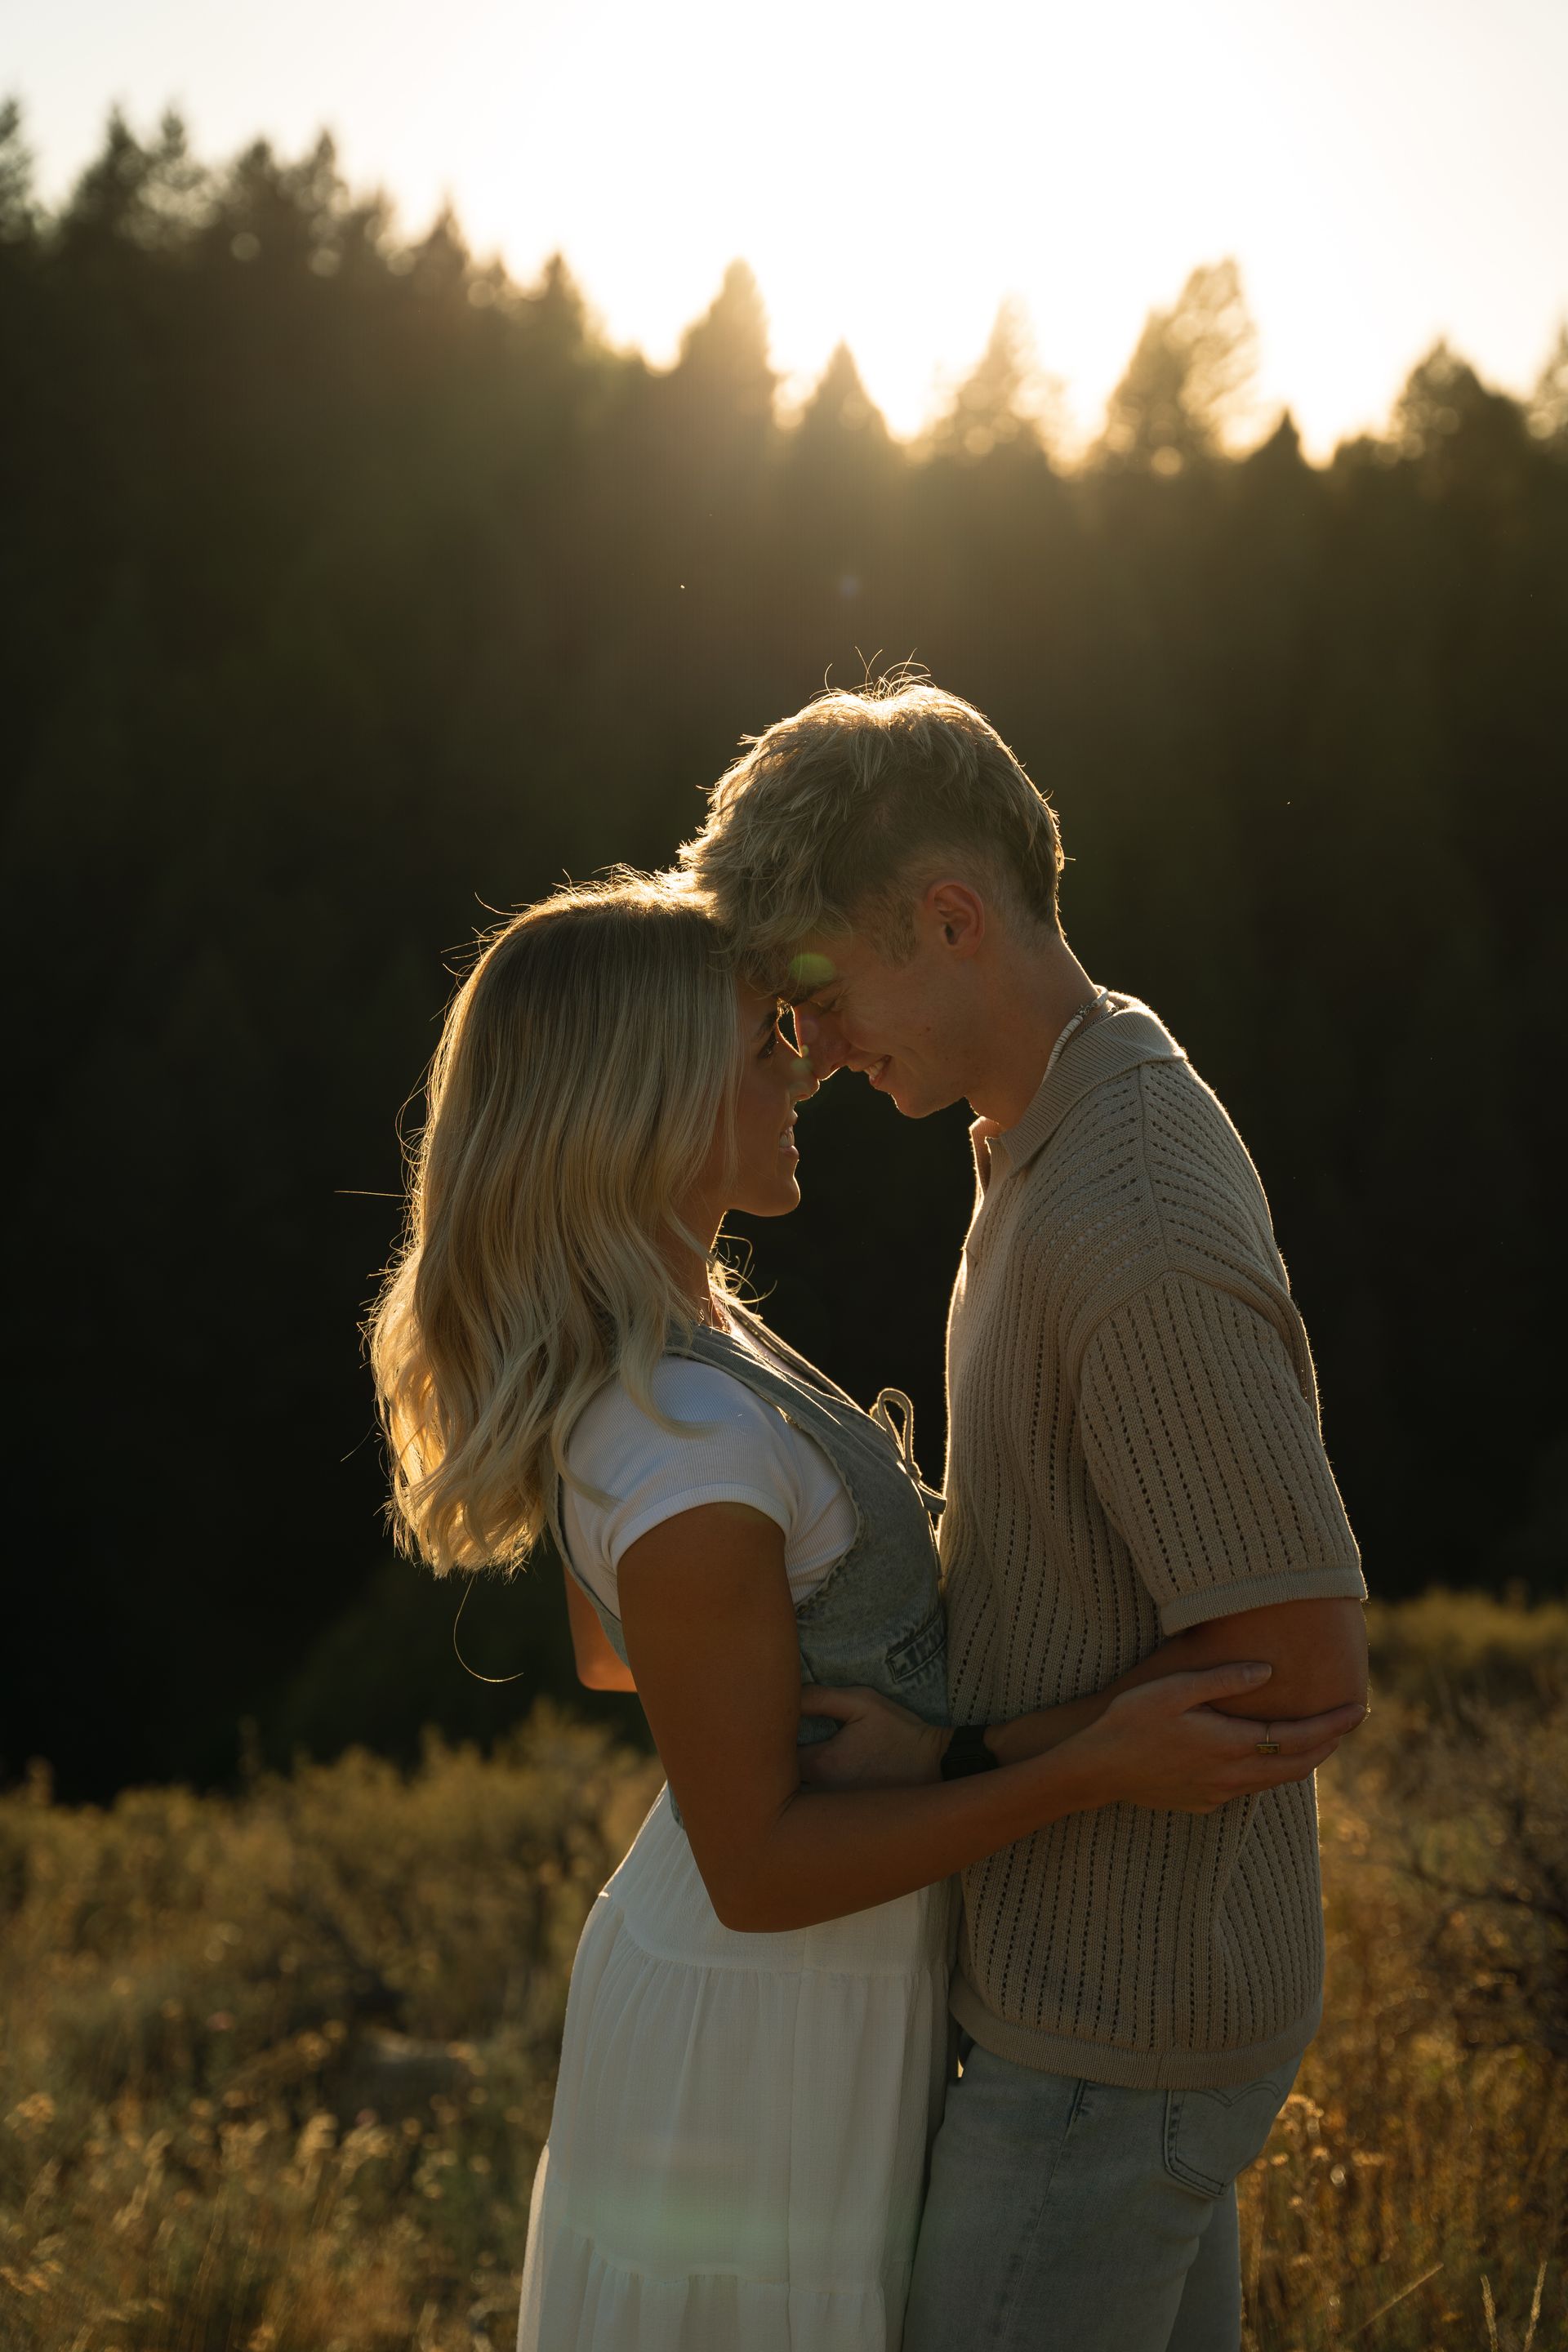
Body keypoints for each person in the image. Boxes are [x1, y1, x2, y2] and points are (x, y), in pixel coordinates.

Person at [368, 873, 1362, 2352]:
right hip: (760, 2020)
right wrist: (1082, 1764)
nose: (804, 1065)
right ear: (648, 1098)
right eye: (763, 1041)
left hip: (819, 1983)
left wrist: (855, 1702)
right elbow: (760, 1864)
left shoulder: (679, 1321)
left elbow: (609, 1650)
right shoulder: (681, 1440)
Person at [682, 681, 1371, 2352]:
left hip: (1113, 2041)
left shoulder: (1121, 1211)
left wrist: (969, 1760)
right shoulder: (1042, 1130)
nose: (822, 1055)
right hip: (1114, 2015)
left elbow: (1301, 1672)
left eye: (827, 997)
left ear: (949, 919)